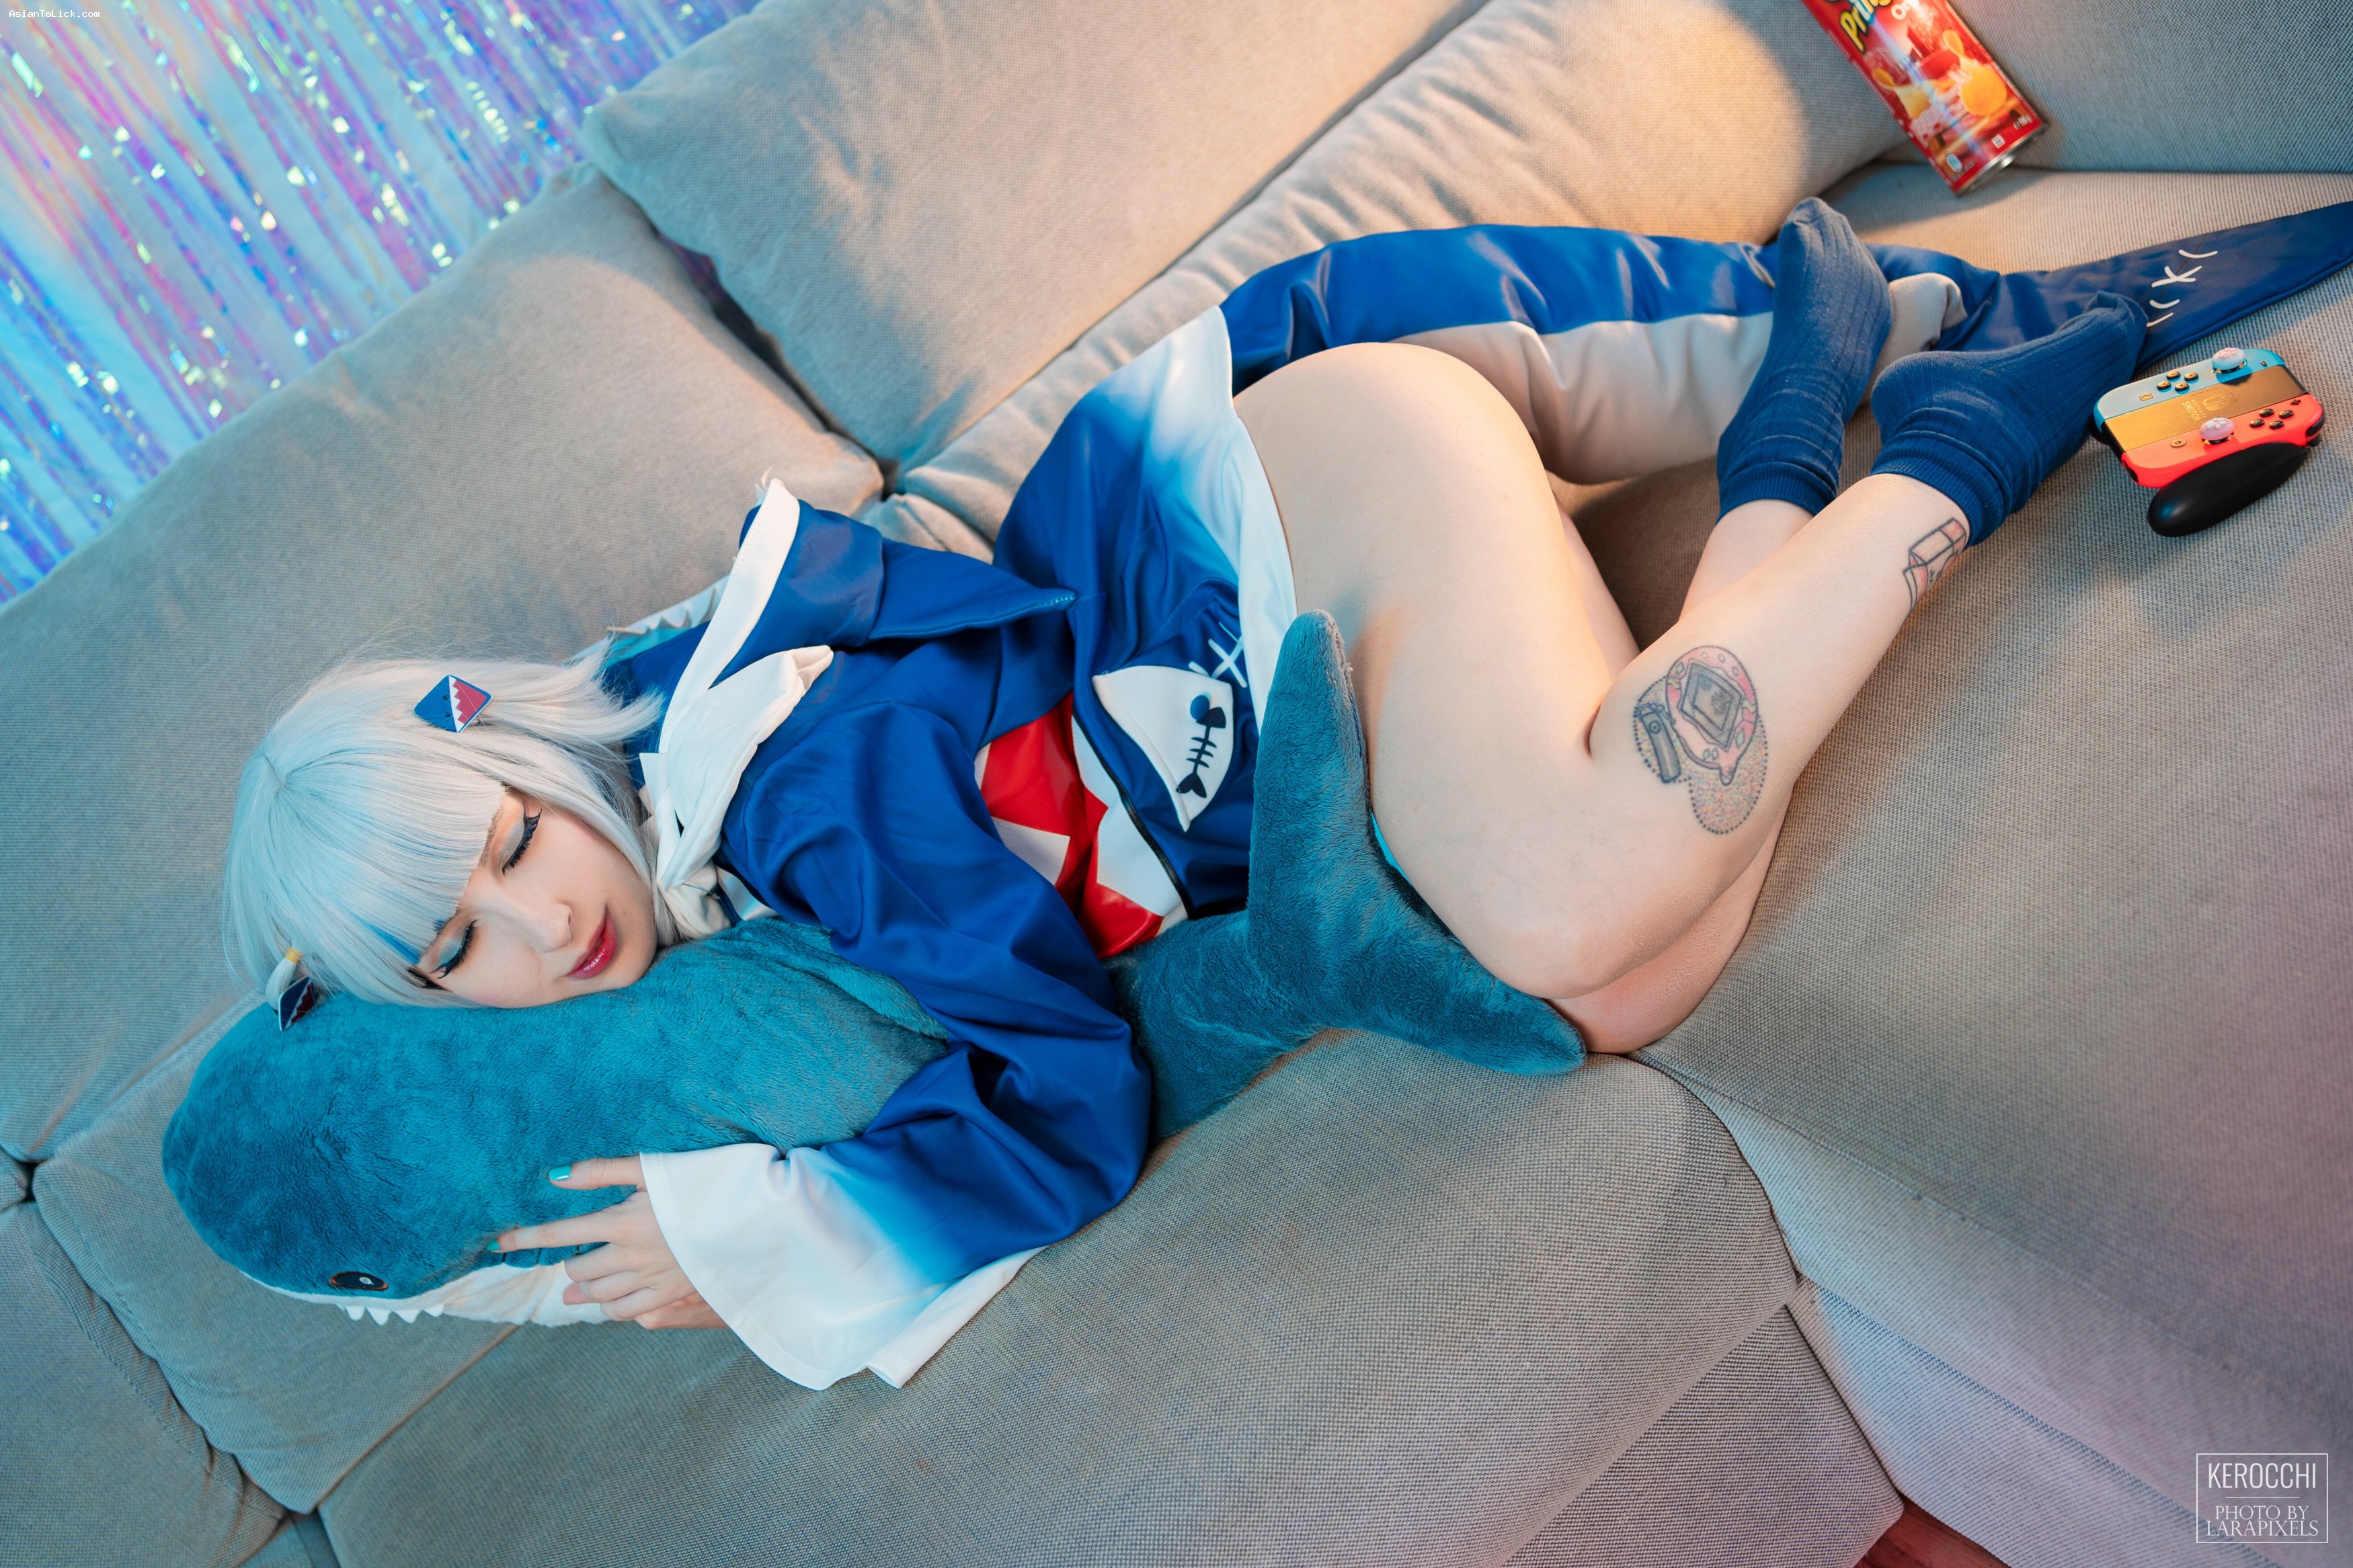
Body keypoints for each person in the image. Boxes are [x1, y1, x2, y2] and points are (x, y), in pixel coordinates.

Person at [221, 198, 2148, 1383]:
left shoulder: (786, 779)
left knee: (1568, 903)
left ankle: (1959, 454)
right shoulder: (691, 915)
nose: (545, 922)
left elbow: (1072, 1094)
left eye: (512, 839)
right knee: (1609, 989)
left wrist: (762, 1258)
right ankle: (1788, 466)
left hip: (1287, 522)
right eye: (457, 951)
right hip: (1279, 676)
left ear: (531, 756)